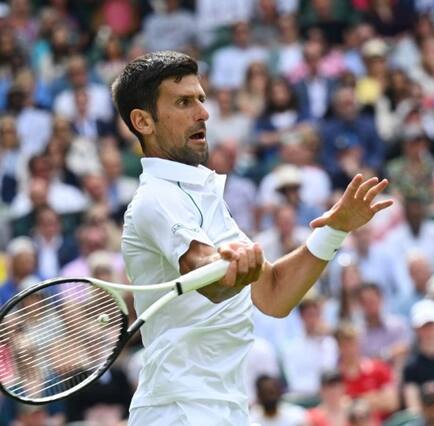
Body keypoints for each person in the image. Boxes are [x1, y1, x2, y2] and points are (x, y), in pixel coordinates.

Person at [112, 51, 393, 425]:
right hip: (179, 412)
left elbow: (274, 294)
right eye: (183, 102)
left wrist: (335, 229)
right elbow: (206, 274)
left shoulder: (203, 195)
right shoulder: (156, 199)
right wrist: (226, 264)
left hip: (225, 408)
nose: (203, 113)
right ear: (143, 121)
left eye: (201, 99)